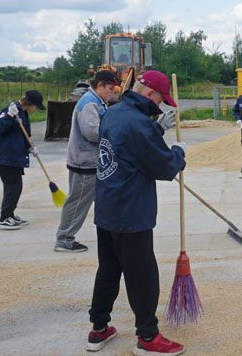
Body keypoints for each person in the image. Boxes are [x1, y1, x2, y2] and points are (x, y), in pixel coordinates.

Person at [87, 70, 186, 355]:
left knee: (108, 269)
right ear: (150, 94)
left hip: (106, 207)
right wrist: (178, 153)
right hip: (130, 213)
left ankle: (99, 328)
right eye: (160, 101)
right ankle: (147, 336)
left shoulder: (114, 112)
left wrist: (157, 129)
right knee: (142, 275)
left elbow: (131, 146)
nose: (160, 107)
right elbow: (164, 166)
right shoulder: (139, 124)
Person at [54, 70, 118, 252]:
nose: (111, 93)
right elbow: (93, 133)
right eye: (110, 89)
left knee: (82, 200)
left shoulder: (97, 101)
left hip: (88, 160)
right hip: (84, 162)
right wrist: (116, 136)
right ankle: (64, 239)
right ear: (99, 86)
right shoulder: (90, 104)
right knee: (78, 202)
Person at [0, 90, 45, 229]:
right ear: (30, 103)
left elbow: (24, 134)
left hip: (15, 157)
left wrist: (30, 147)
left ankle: (10, 215)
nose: (35, 109)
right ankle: (4, 218)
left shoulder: (23, 114)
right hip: (6, 157)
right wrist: (9, 116)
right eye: (36, 106)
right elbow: (0, 127)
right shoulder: (11, 110)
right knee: (13, 187)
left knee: (14, 187)